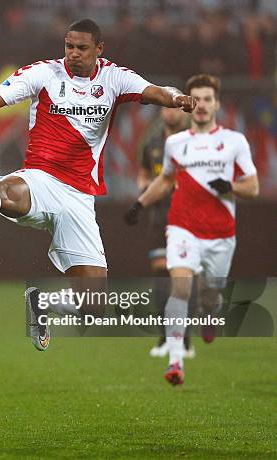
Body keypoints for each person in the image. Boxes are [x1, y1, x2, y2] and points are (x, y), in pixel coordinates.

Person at [0, 18, 195, 352]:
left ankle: (43, 303)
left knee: (94, 306)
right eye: (69, 46)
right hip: (40, 177)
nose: (74, 54)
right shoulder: (44, 73)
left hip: (80, 196)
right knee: (8, 191)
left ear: (99, 49)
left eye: (82, 48)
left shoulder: (114, 77)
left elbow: (157, 91)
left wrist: (177, 97)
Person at [124, 74, 259, 386]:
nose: (201, 105)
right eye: (195, 99)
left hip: (221, 232)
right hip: (182, 227)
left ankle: (210, 315)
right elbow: (165, 180)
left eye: (207, 99)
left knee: (211, 295)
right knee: (181, 288)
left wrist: (231, 187)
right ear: (190, 104)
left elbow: (252, 186)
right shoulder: (175, 143)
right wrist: (140, 204)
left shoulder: (234, 141)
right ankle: (175, 361)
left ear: (217, 104)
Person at [137, 107, 195, 359]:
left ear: (184, 113)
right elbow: (143, 174)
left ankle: (185, 340)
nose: (171, 112)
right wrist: (145, 186)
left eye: (176, 108)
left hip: (190, 219)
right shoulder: (151, 143)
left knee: (183, 279)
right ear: (161, 112)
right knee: (161, 277)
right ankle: (163, 337)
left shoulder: (194, 140)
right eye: (167, 107)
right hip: (159, 218)